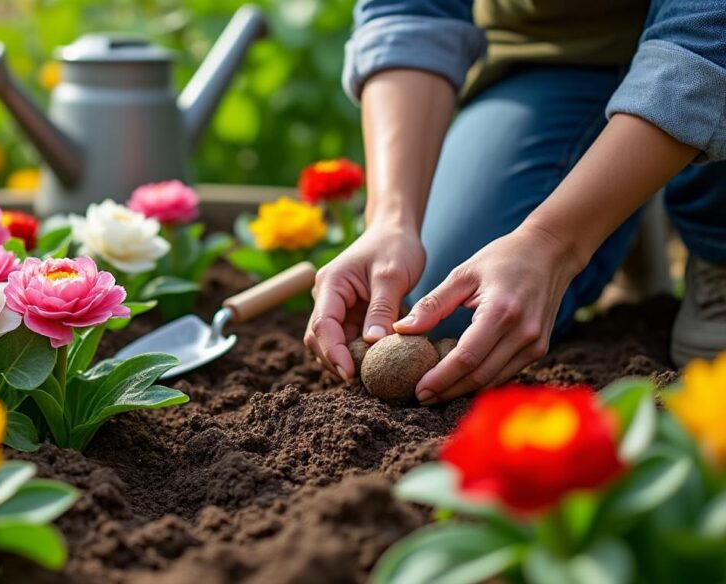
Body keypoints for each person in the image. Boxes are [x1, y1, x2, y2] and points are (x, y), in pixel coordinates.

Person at [305, 0, 726, 405]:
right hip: (564, 55)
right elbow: (410, 11)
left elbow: (706, 39)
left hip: (706, 47)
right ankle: (612, 198)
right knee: (461, 316)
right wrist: (390, 221)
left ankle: (712, 236)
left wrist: (552, 242)